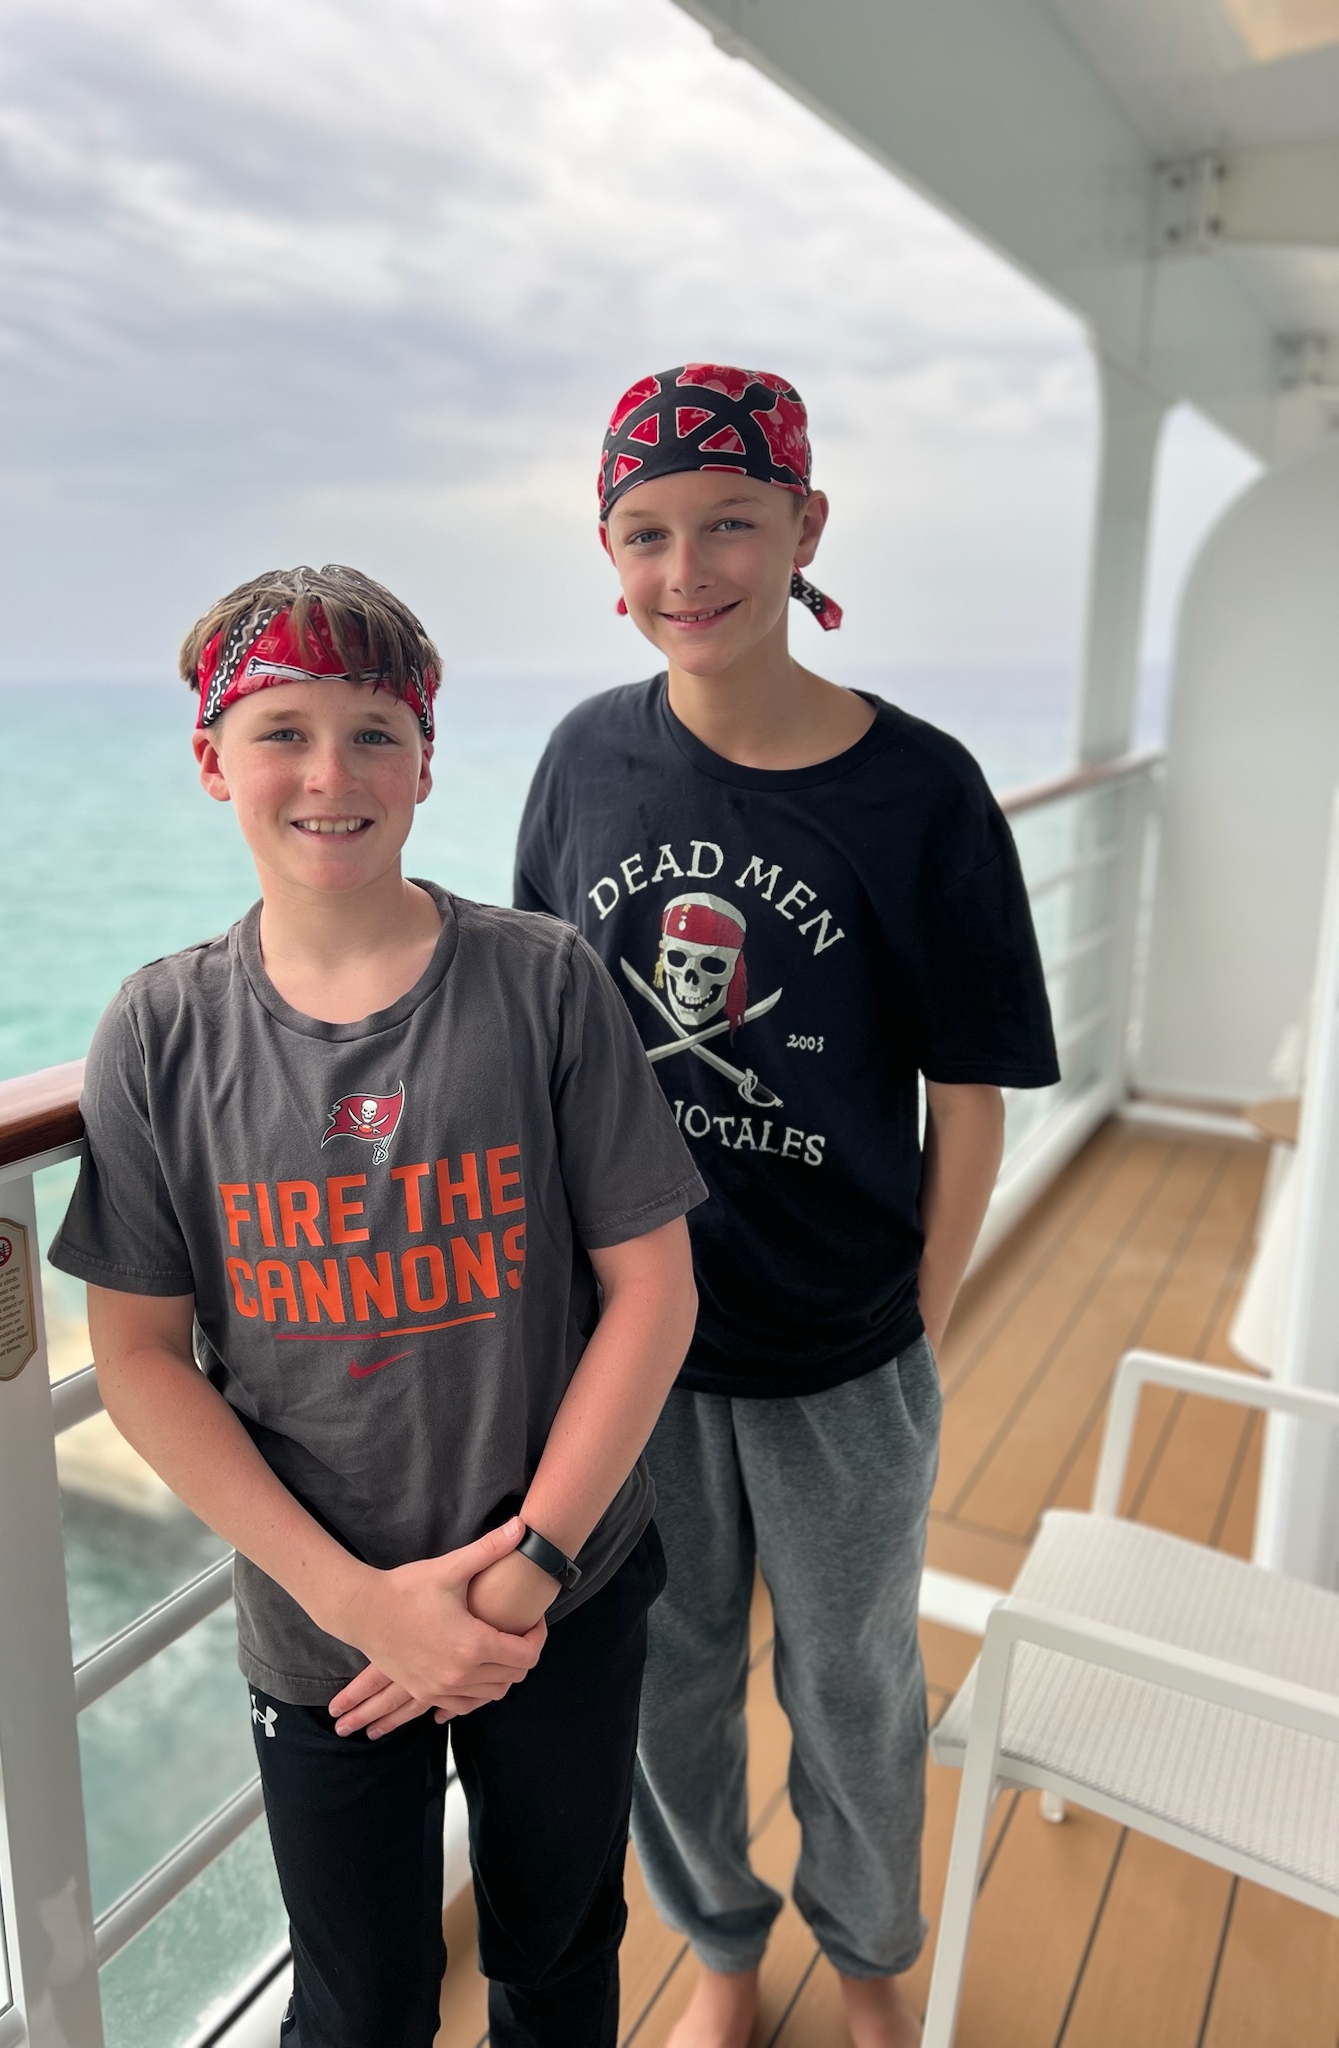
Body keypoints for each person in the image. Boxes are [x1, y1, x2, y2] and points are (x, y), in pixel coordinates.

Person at [49, 563, 705, 2048]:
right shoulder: (161, 1032)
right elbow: (141, 1358)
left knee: (559, 1946)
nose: (329, 774)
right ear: (214, 760)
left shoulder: (541, 983)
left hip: (558, 1595)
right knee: (356, 2005)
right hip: (320, 1633)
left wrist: (528, 1569)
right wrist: (360, 1608)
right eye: (282, 731)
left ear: (424, 760)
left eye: (371, 733)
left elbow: (652, 1288)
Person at [513, 366, 1059, 2048]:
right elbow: (542, 1041)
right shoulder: (585, 759)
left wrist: (920, 1326)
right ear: (610, 555)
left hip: (846, 1355)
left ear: (806, 526)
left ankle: (873, 1960)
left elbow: (968, 1096)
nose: (687, 570)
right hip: (638, 1353)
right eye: (647, 533)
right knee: (664, 1689)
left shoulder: (923, 791)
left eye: (730, 523)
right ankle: (726, 1958)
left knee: (856, 1688)